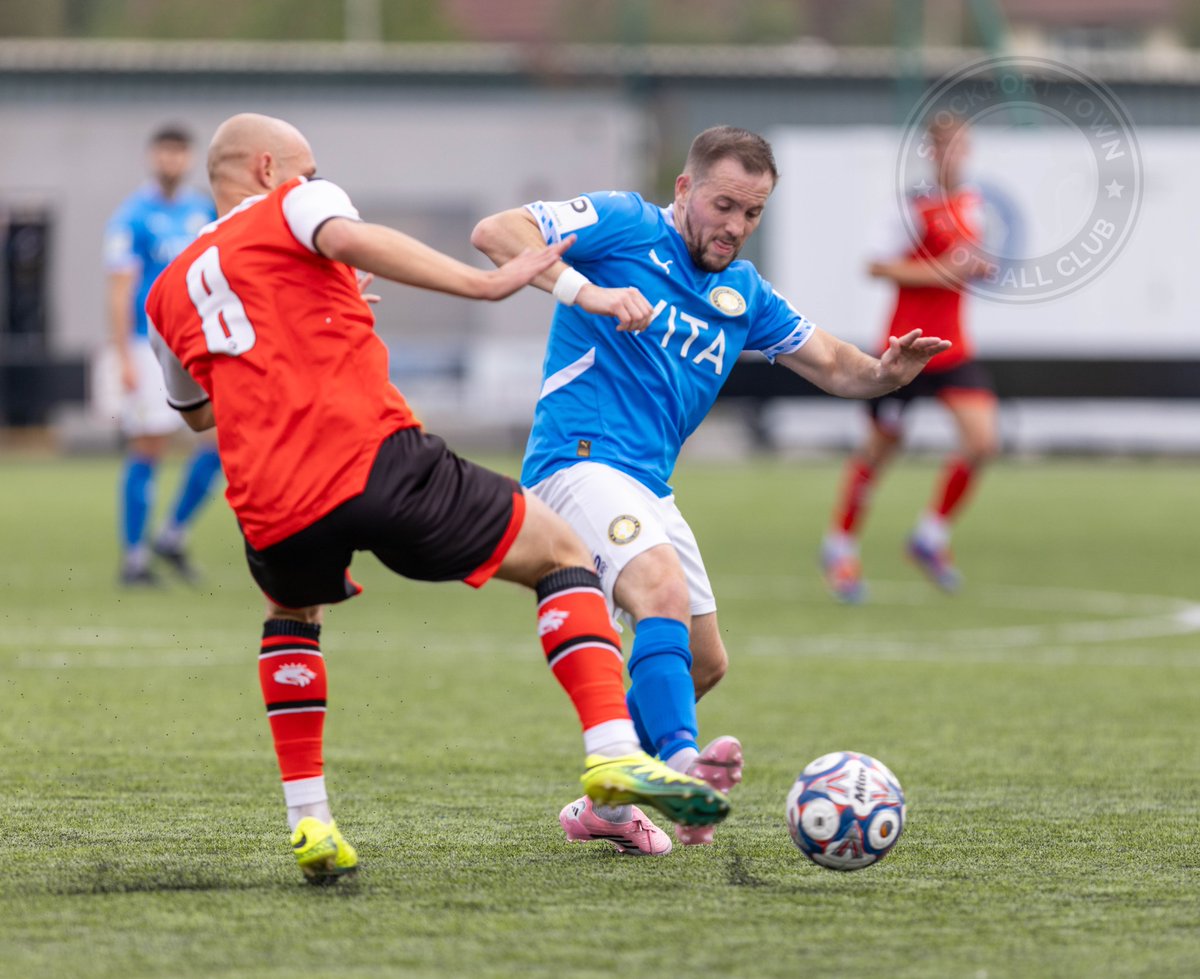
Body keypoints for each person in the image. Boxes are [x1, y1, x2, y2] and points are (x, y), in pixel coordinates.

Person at [143, 113, 725, 885]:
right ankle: (614, 755)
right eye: (307, 170)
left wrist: (323, 310)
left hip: (269, 500)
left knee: (291, 614)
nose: (316, 184)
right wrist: (483, 283)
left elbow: (200, 410)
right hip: (368, 456)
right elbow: (347, 236)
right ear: (264, 169)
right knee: (562, 553)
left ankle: (310, 819)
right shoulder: (298, 204)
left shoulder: (168, 292)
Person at [471, 125, 950, 855]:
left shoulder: (742, 292)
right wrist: (590, 293)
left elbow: (836, 365)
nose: (735, 226)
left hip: (645, 485)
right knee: (658, 589)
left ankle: (607, 799)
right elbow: (496, 233)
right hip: (577, 461)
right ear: (686, 189)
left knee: (706, 660)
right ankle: (684, 770)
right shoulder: (624, 223)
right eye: (724, 204)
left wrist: (887, 373)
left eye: (752, 213)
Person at [821, 114, 998, 603]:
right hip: (906, 349)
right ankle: (840, 547)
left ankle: (929, 537)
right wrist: (938, 270)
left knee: (982, 442)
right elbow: (877, 266)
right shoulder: (911, 207)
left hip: (954, 349)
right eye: (943, 147)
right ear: (930, 152)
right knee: (880, 451)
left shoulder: (972, 204)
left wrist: (978, 268)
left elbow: (964, 266)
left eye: (960, 146)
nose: (953, 154)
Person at [104, 124, 224, 586]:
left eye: (178, 153)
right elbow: (119, 289)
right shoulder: (132, 216)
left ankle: (171, 535)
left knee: (219, 445)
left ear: (190, 158)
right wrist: (123, 357)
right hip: (147, 343)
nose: (171, 161)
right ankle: (134, 558)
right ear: (152, 157)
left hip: (196, 341)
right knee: (149, 444)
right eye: (164, 153)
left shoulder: (203, 210)